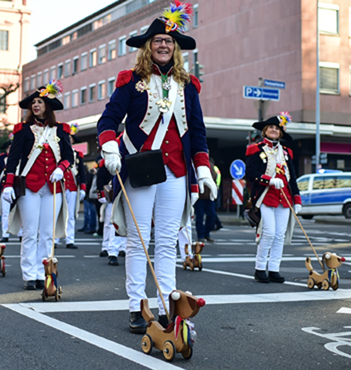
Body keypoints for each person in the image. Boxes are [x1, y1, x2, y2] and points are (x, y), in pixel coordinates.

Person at [96, 2, 216, 334]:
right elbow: (108, 120)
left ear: (176, 49)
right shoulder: (130, 80)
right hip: (140, 167)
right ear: (149, 46)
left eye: (169, 41)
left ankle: (166, 303)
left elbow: (198, 131)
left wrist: (202, 170)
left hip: (176, 170)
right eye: (157, 40)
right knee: (138, 241)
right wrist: (109, 147)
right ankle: (137, 305)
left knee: (165, 241)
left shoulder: (188, 86)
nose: (163, 45)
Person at [1, 80, 74, 290]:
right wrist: (8, 184)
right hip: (30, 187)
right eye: (33, 102)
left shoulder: (60, 130)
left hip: (53, 188)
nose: (35, 105)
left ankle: (45, 274)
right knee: (30, 232)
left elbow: (69, 156)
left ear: (48, 106)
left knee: (47, 234)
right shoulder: (23, 131)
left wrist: (62, 168)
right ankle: (29, 274)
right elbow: (13, 160)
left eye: (40, 102)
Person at [245, 112, 301, 284]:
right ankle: (260, 268)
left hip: (284, 198)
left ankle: (274, 269)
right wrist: (268, 180)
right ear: (265, 131)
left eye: (277, 128)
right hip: (265, 196)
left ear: (281, 132)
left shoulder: (286, 153)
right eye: (270, 127)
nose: (274, 130)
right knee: (268, 232)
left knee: (279, 235)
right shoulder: (256, 149)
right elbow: (250, 173)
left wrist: (297, 199)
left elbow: (292, 176)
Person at [60, 123, 86, 249]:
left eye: (71, 138)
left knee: (71, 215)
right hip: (60, 187)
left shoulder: (78, 154)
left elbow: (82, 171)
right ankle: (55, 239)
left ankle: (70, 239)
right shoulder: (58, 153)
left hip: (73, 187)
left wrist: (83, 188)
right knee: (58, 213)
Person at [194, 162, 218, 243]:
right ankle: (201, 235)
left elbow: (215, 178)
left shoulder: (211, 166)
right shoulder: (196, 164)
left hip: (209, 196)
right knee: (200, 217)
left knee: (212, 215)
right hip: (200, 197)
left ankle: (206, 233)